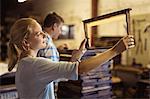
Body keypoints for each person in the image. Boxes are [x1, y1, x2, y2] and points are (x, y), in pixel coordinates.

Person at [8, 18, 135, 99]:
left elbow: (58, 74)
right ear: (26, 43)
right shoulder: (35, 64)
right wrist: (115, 50)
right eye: (38, 33)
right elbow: (81, 69)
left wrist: (75, 60)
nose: (44, 35)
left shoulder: (25, 64)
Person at [37, 12, 85, 99]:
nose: (60, 32)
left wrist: (57, 50)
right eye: (60, 28)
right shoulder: (49, 46)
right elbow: (55, 75)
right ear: (54, 26)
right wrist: (74, 59)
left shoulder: (40, 42)